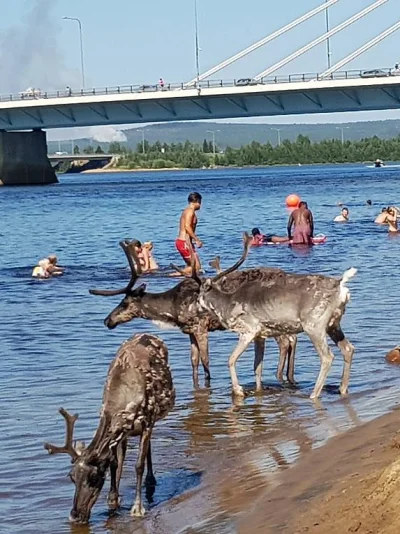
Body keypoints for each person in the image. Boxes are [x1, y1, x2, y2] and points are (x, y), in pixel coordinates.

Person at [175, 192, 203, 275]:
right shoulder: (190, 211)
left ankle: (185, 281)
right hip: (184, 242)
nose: (200, 206)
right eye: (200, 203)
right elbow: (187, 227)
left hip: (186, 242)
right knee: (196, 267)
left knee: (191, 266)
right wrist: (196, 239)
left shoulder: (188, 211)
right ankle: (172, 276)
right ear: (197, 201)